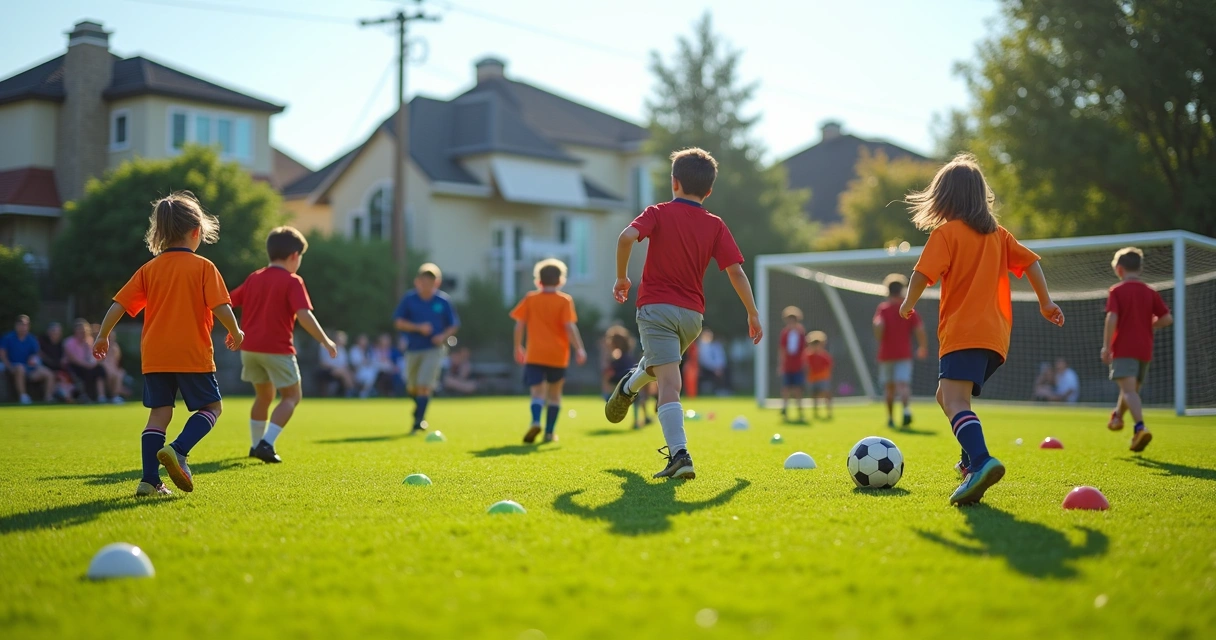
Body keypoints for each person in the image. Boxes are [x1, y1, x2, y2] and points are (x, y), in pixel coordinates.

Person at [898, 153, 1064, 506]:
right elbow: (1032, 263)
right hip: (995, 337)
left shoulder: (947, 233)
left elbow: (920, 274)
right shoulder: (998, 234)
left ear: (944, 197)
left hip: (963, 332)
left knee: (954, 399)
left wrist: (908, 303)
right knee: (948, 397)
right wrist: (1045, 302)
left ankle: (981, 461)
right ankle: (968, 461)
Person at [605, 147, 764, 480]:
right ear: (709, 191)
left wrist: (621, 276)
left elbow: (626, 237)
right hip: (692, 318)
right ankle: (631, 386)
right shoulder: (715, 224)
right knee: (666, 371)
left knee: (668, 380)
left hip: (655, 309)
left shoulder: (658, 212)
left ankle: (679, 455)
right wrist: (752, 313)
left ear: (674, 182)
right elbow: (735, 271)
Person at [93, 191, 243, 497]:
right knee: (212, 407)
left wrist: (102, 335)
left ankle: (149, 481)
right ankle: (179, 450)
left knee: (159, 414)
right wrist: (236, 331)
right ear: (196, 231)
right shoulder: (203, 267)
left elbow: (120, 304)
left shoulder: (150, 269)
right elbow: (221, 306)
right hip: (191, 353)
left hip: (155, 355)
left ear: (161, 233)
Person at [230, 226, 337, 464]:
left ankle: (255, 444)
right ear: (294, 256)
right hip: (277, 349)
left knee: (264, 397)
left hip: (249, 350)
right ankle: (266, 444)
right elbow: (304, 315)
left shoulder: (254, 278)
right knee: (291, 396)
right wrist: (325, 340)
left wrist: (232, 330)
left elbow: (227, 301)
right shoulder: (293, 281)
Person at [510, 258, 587, 443]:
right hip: (557, 355)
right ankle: (550, 432)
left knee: (537, 393)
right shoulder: (564, 300)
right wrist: (580, 349)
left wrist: (518, 346)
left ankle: (536, 420)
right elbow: (570, 327)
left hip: (535, 354)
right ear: (561, 281)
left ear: (538, 280)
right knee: (554, 395)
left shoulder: (530, 298)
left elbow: (519, 326)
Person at [1102, 246, 1172, 451]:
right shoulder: (1150, 292)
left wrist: (1106, 346)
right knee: (1130, 391)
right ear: (1140, 269)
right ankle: (1117, 416)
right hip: (1145, 350)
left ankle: (1140, 428)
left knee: (1129, 391)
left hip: (1124, 348)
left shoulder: (1117, 291)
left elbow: (1112, 317)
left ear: (1119, 270)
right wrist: (1150, 324)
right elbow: (1167, 318)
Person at [394, 263, 460, 434]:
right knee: (412, 387)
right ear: (418, 281)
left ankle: (418, 421)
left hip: (434, 349)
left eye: (431, 280)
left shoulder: (443, 301)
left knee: (425, 384)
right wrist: (418, 328)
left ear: (436, 282)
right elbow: (399, 322)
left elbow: (453, 325)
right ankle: (419, 410)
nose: (427, 283)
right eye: (424, 280)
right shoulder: (409, 299)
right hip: (413, 348)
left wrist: (442, 336)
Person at [873, 274, 928, 428]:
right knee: (902, 385)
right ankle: (906, 411)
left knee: (889, 388)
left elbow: (878, 328)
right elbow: (920, 329)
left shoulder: (883, 309)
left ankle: (890, 418)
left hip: (886, 355)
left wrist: (879, 330)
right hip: (904, 354)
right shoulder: (908, 308)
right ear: (903, 290)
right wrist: (922, 347)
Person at [602, 325, 652, 428]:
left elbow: (608, 372)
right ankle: (642, 418)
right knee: (637, 397)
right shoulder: (628, 353)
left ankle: (608, 395)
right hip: (632, 377)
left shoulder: (617, 353)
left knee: (635, 397)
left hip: (622, 379)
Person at [0, 315, 54, 404]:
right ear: (16, 326)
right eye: (21, 325)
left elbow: (36, 355)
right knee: (20, 368)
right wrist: (9, 367)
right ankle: (23, 396)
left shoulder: (32, 339)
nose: (23, 327)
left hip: (29, 369)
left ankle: (48, 397)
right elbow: (3, 355)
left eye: (25, 325)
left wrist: (35, 360)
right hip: (12, 367)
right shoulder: (8, 338)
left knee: (49, 373)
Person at [65, 319, 108, 402]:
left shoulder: (91, 341)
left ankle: (101, 396)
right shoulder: (69, 342)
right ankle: (83, 395)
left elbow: (97, 355)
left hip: (90, 365)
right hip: (75, 366)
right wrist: (86, 365)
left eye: (85, 330)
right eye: (80, 330)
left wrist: (94, 363)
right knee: (79, 372)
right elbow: (73, 359)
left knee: (100, 370)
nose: (83, 332)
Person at [778, 306, 807, 423]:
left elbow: (804, 349)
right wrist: (781, 364)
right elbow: (782, 350)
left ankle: (800, 410)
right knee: (786, 388)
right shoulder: (785, 333)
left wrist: (804, 363)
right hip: (787, 365)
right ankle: (784, 408)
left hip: (798, 365)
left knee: (797, 388)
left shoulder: (800, 332)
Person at [39, 322, 75, 402]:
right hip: (45, 369)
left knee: (66, 381)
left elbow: (63, 362)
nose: (56, 334)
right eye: (54, 331)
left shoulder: (61, 345)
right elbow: (43, 358)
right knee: (51, 375)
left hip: (59, 373)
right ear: (48, 332)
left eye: (58, 332)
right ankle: (48, 397)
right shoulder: (42, 342)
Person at [806, 331, 834, 419]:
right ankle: (816, 413)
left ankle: (829, 412)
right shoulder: (808, 355)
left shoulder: (824, 356)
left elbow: (829, 365)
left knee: (826, 394)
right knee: (814, 396)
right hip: (813, 378)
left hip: (823, 378)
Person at [318, 330, 354, 397]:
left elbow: (345, 364)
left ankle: (350, 391)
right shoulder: (325, 347)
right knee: (343, 373)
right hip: (327, 370)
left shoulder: (342, 350)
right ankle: (350, 392)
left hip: (339, 370)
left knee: (349, 373)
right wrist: (336, 368)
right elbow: (323, 363)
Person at [697, 327, 728, 395]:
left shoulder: (715, 345)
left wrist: (719, 367)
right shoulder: (701, 346)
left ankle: (723, 390)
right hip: (705, 368)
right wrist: (715, 369)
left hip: (716, 368)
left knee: (726, 371)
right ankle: (716, 390)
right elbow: (705, 360)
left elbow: (720, 357)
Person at [349, 333, 378, 398]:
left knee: (373, 372)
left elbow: (373, 361)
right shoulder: (354, 349)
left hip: (367, 370)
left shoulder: (368, 350)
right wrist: (364, 362)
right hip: (357, 371)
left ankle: (365, 391)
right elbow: (354, 363)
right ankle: (364, 392)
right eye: (362, 340)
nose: (364, 342)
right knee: (370, 373)